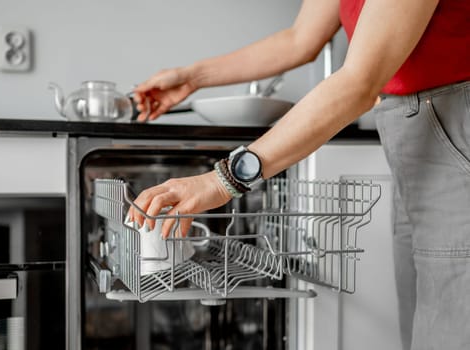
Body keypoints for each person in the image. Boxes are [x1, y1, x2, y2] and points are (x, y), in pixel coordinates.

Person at [130, 1, 470, 349]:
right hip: (414, 139)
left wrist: (222, 179)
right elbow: (300, 39)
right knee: (426, 324)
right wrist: (191, 78)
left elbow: (358, 82)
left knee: (449, 330)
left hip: (454, 129)